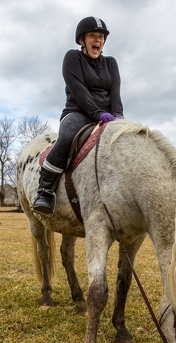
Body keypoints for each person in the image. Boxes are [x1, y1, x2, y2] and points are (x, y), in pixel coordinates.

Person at [32, 16, 124, 216]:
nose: (98, 40)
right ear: (82, 40)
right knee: (66, 136)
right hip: (78, 112)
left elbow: (116, 93)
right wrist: (98, 113)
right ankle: (45, 191)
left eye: (101, 37)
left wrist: (118, 115)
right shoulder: (72, 58)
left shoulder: (111, 63)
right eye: (93, 36)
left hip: (108, 115)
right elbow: (78, 91)